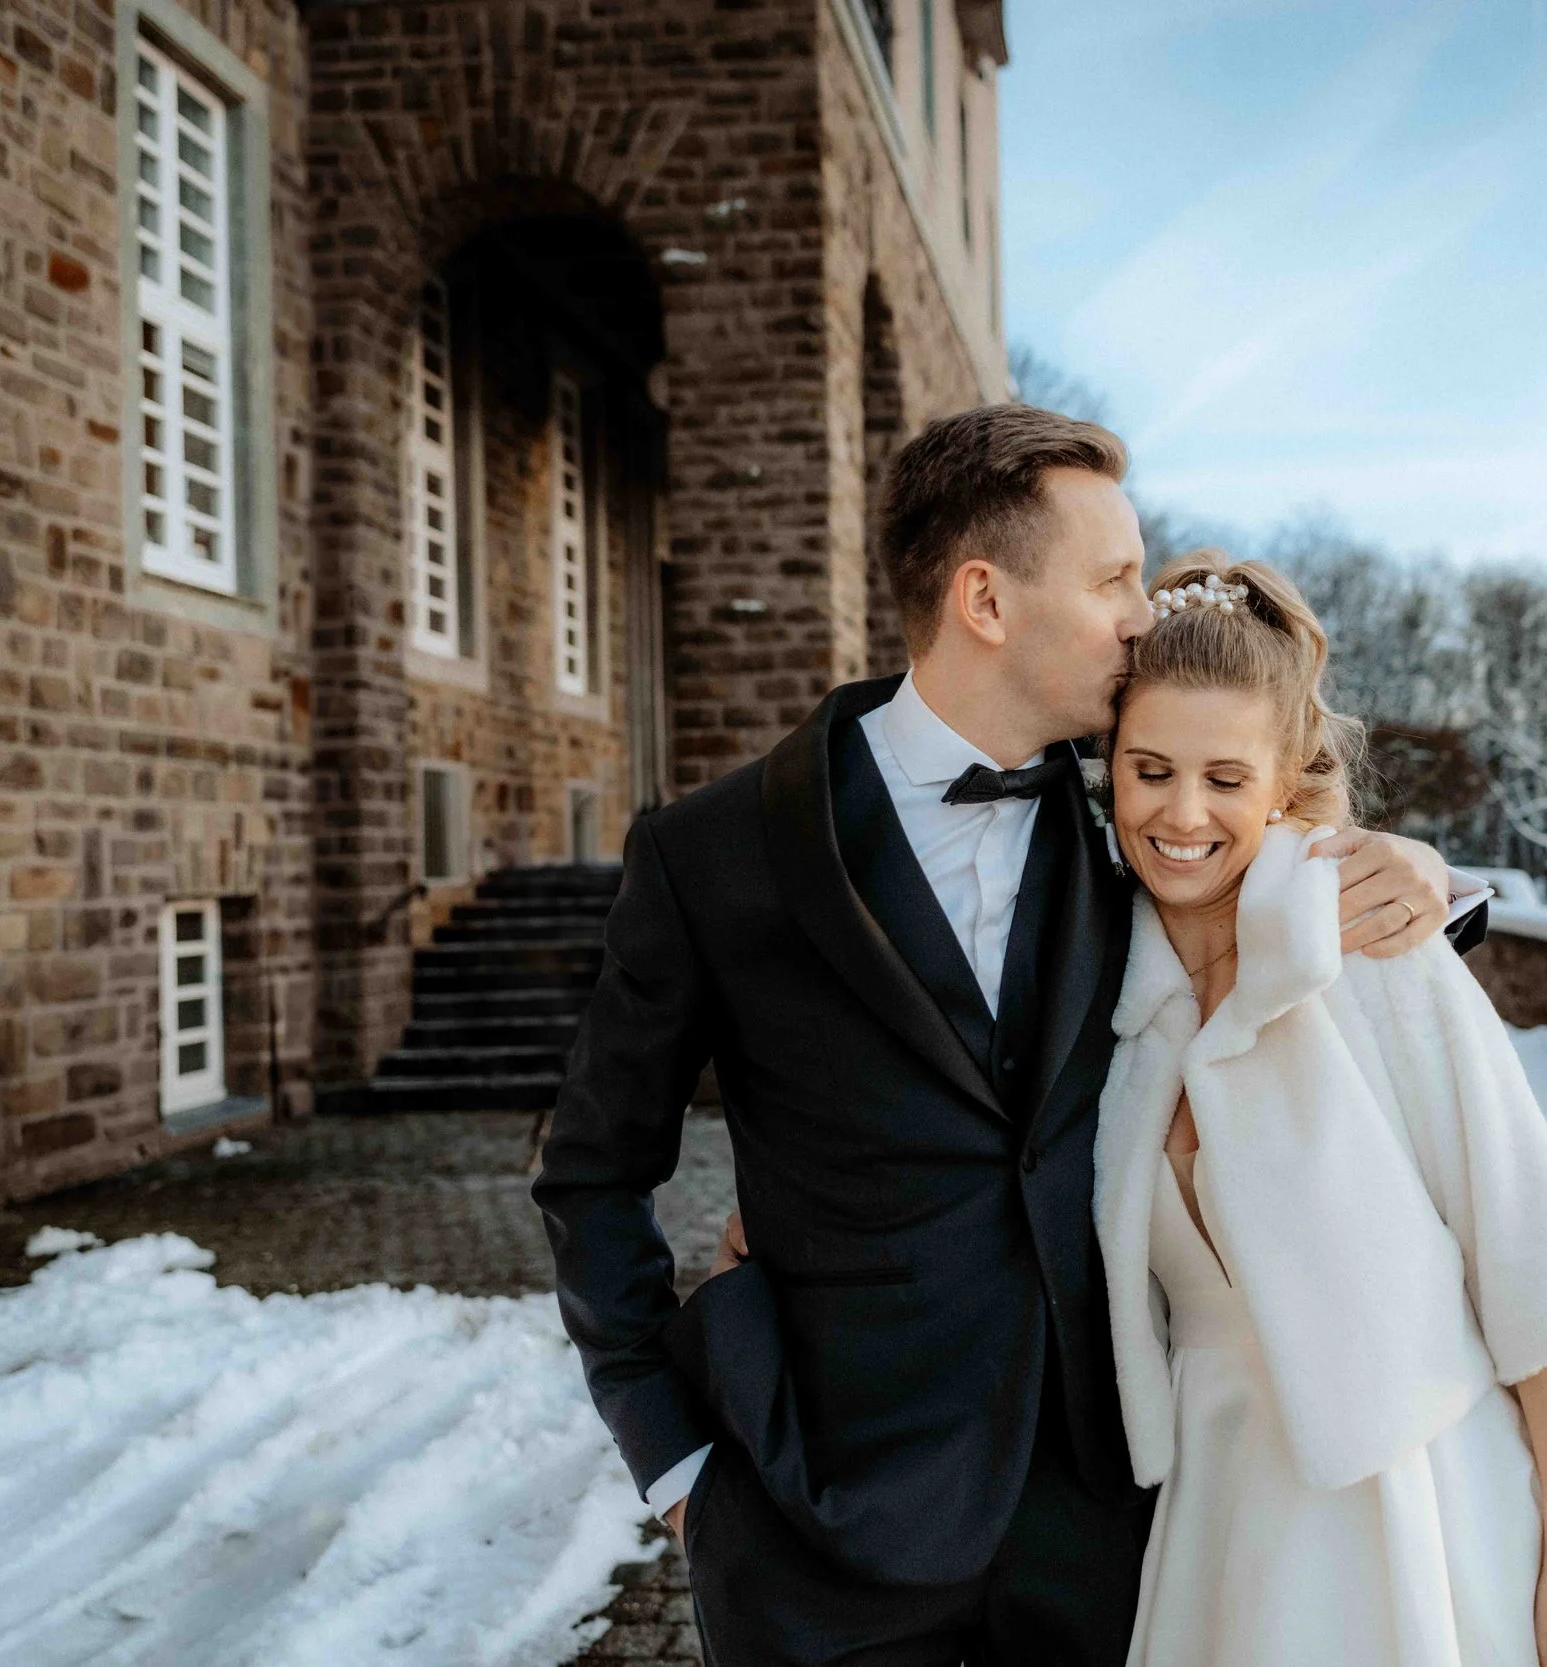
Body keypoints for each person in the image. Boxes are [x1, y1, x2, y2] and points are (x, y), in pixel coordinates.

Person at [530, 406, 1490, 1667]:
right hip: (815, 1523)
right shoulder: (713, 853)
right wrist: (678, 1459)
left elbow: (1303, 887)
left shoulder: (1138, 819)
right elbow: (593, 1168)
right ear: (985, 597)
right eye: (1110, 580)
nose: (1144, 613)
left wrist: (1418, 866)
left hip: (1113, 1512)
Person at [1092, 551, 1547, 1667]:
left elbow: (1529, 1250)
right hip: (1218, 1517)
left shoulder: (1375, 953)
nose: (1181, 814)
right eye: (1149, 770)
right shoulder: (1093, 983)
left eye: (1225, 778)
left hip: (1435, 1496)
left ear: (1284, 779)